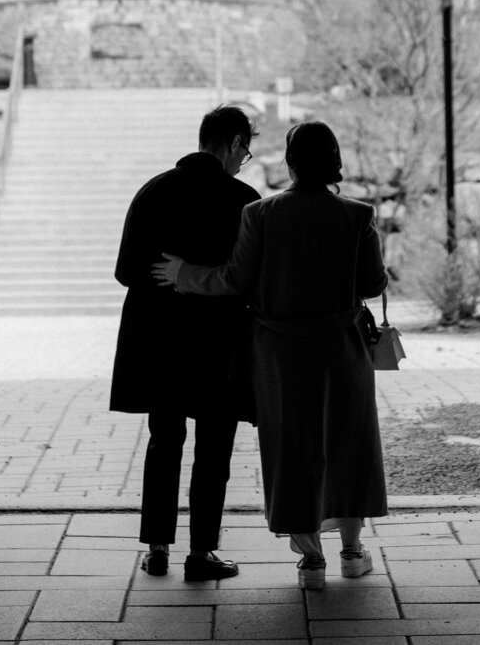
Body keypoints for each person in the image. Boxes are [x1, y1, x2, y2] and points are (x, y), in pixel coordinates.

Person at [153, 120, 388, 591]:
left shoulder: (260, 214)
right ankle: (352, 551)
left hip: (279, 356)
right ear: (335, 160)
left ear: (290, 161)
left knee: (294, 451)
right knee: (348, 447)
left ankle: (311, 561)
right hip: (343, 352)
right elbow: (373, 285)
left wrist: (183, 274)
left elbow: (234, 281)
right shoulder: (358, 216)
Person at [109, 105, 260, 581]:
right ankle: (201, 554)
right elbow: (248, 280)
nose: (244, 160)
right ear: (234, 143)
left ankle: (157, 547)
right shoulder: (243, 199)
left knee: (164, 441)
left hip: (158, 342)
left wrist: (166, 279)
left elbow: (124, 272)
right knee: (214, 447)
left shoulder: (153, 191)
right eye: (246, 151)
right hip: (218, 344)